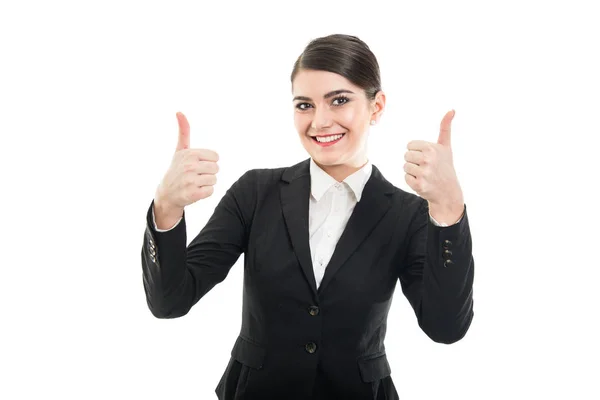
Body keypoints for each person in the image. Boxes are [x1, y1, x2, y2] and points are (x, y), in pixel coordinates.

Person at [141, 33, 474, 400]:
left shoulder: (408, 214)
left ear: (376, 107)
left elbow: (445, 328)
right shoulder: (255, 192)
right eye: (304, 105)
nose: (319, 122)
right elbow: (170, 300)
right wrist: (167, 207)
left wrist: (447, 208)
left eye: (339, 101)